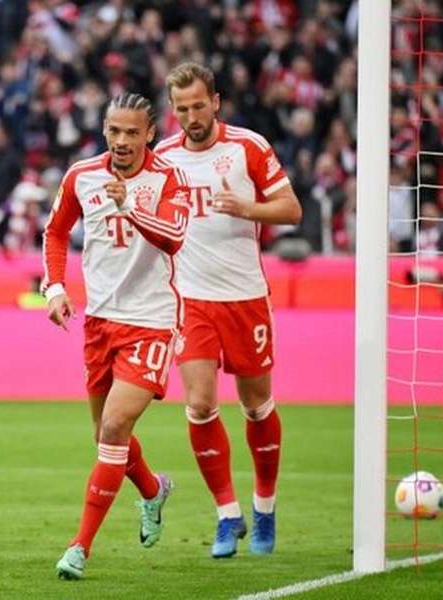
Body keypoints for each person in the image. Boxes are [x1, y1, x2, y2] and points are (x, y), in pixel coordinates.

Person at [154, 62, 302, 558]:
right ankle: (227, 516)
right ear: (172, 111)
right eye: (181, 108)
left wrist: (248, 209)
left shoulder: (248, 147)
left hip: (245, 298)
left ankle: (264, 507)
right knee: (198, 404)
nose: (191, 116)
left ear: (215, 102)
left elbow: (291, 208)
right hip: (191, 300)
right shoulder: (164, 156)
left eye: (199, 105)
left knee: (257, 404)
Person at [42, 92, 190, 580]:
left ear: (150, 133)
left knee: (112, 429)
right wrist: (56, 287)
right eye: (113, 130)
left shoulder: (169, 178)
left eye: (132, 132)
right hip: (100, 322)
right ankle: (152, 491)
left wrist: (131, 208)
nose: (121, 141)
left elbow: (173, 237)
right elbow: (56, 232)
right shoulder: (81, 175)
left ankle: (79, 547)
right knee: (106, 435)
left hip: (152, 319)